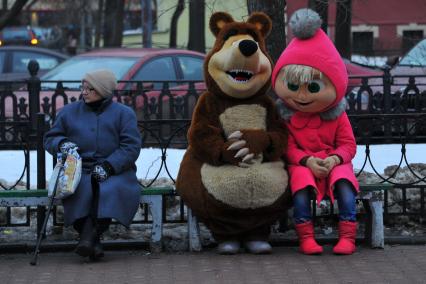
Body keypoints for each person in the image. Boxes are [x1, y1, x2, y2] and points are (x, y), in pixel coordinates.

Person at [271, 9, 359, 255]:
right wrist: (307, 160)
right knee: (300, 190)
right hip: (303, 163)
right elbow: (287, 147)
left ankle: (347, 236)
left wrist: (334, 159)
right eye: (293, 86)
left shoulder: (337, 115)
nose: (301, 96)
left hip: (333, 160)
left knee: (344, 186)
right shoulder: (287, 116)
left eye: (312, 87)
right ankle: (306, 237)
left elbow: (348, 145)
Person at [44, 69, 141, 260]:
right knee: (80, 188)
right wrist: (62, 144)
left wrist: (109, 166)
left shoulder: (124, 114)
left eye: (90, 88)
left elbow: (131, 147)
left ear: (103, 90)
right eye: (83, 88)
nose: (84, 92)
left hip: (116, 172)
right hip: (78, 170)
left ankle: (87, 240)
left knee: (108, 189)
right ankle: (92, 242)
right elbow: (51, 138)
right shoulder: (69, 112)